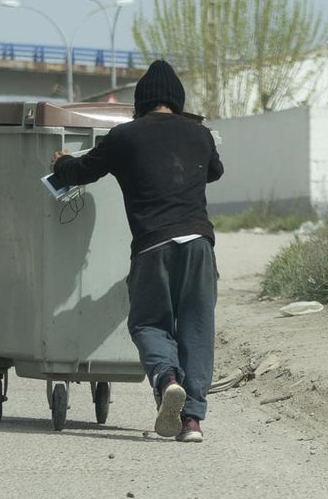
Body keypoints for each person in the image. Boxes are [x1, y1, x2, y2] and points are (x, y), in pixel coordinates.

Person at [50, 59, 224, 443]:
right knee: (196, 328)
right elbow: (214, 171)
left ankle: (166, 378)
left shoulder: (124, 137)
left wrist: (62, 163)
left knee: (148, 323)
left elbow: (80, 173)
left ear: (140, 102)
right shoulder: (200, 134)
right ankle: (192, 421)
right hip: (198, 242)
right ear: (177, 101)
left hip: (153, 244)